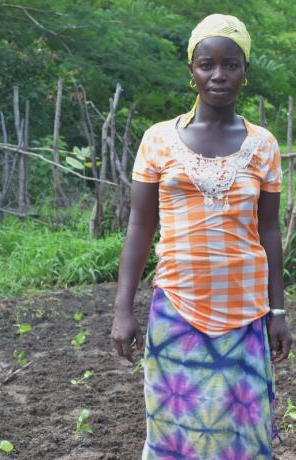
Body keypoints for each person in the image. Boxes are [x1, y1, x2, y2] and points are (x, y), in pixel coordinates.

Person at [111, 14, 293, 459]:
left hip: (246, 313)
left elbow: (269, 230)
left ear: (244, 71)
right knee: (176, 431)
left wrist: (279, 309)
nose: (218, 75)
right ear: (191, 70)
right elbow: (140, 225)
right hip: (177, 307)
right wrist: (122, 309)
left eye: (230, 64)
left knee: (243, 432)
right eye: (206, 64)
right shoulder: (158, 141)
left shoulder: (263, 144)